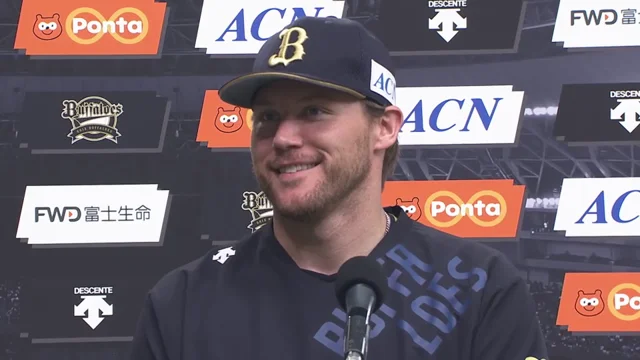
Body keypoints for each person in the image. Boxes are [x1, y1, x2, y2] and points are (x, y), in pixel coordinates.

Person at [128, 16, 549, 360]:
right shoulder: (183, 301)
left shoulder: (478, 287)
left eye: (314, 111)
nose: (283, 138)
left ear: (384, 127)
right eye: (268, 117)